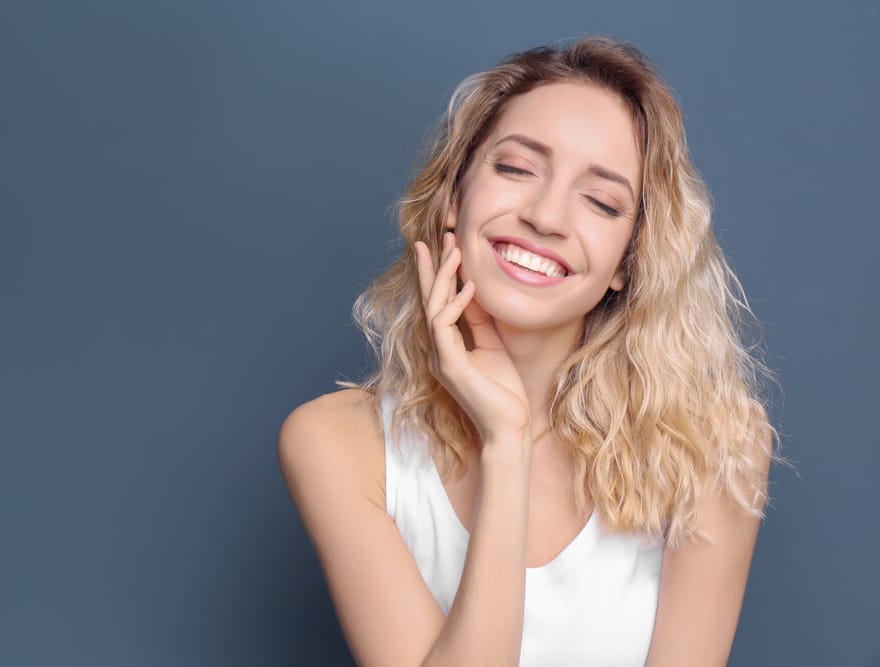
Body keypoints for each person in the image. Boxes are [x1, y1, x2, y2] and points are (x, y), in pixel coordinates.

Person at [278, 36, 782, 666]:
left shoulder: (712, 446)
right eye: (516, 168)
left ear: (629, 261)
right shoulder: (335, 442)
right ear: (453, 195)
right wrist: (507, 443)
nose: (546, 216)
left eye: (601, 201)